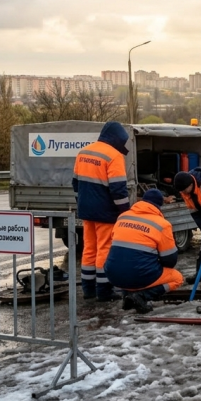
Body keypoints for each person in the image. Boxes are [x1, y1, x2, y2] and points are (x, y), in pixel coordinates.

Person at [72, 121, 130, 301]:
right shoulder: (114, 156)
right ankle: (104, 291)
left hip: (86, 210)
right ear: (117, 138)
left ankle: (88, 289)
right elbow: (118, 189)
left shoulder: (84, 152)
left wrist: (80, 202)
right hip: (106, 212)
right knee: (104, 249)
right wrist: (125, 212)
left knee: (89, 248)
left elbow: (75, 183)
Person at [103, 189, 184, 313]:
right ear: (158, 206)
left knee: (127, 261)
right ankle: (142, 296)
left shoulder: (123, 217)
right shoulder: (162, 224)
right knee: (177, 278)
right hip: (139, 276)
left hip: (113, 275)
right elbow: (170, 260)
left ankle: (128, 296)